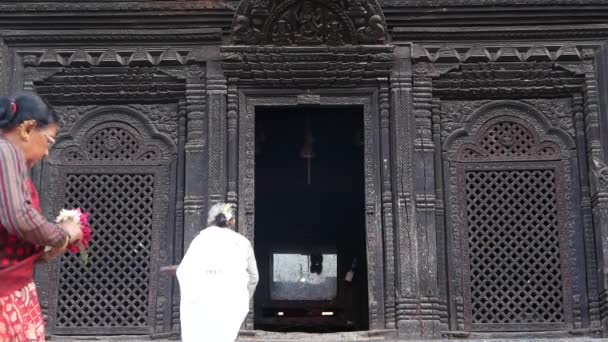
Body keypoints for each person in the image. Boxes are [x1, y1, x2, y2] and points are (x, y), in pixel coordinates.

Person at [0, 92, 83, 341]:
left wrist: (48, 247)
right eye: (48, 141)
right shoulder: (6, 151)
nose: (47, 153)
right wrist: (63, 235)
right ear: (27, 128)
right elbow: (18, 217)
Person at [177, 203, 259, 342]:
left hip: (200, 305)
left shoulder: (199, 240)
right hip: (230, 303)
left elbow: (183, 272)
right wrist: (242, 299)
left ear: (210, 220)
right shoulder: (243, 242)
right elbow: (254, 278)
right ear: (232, 222)